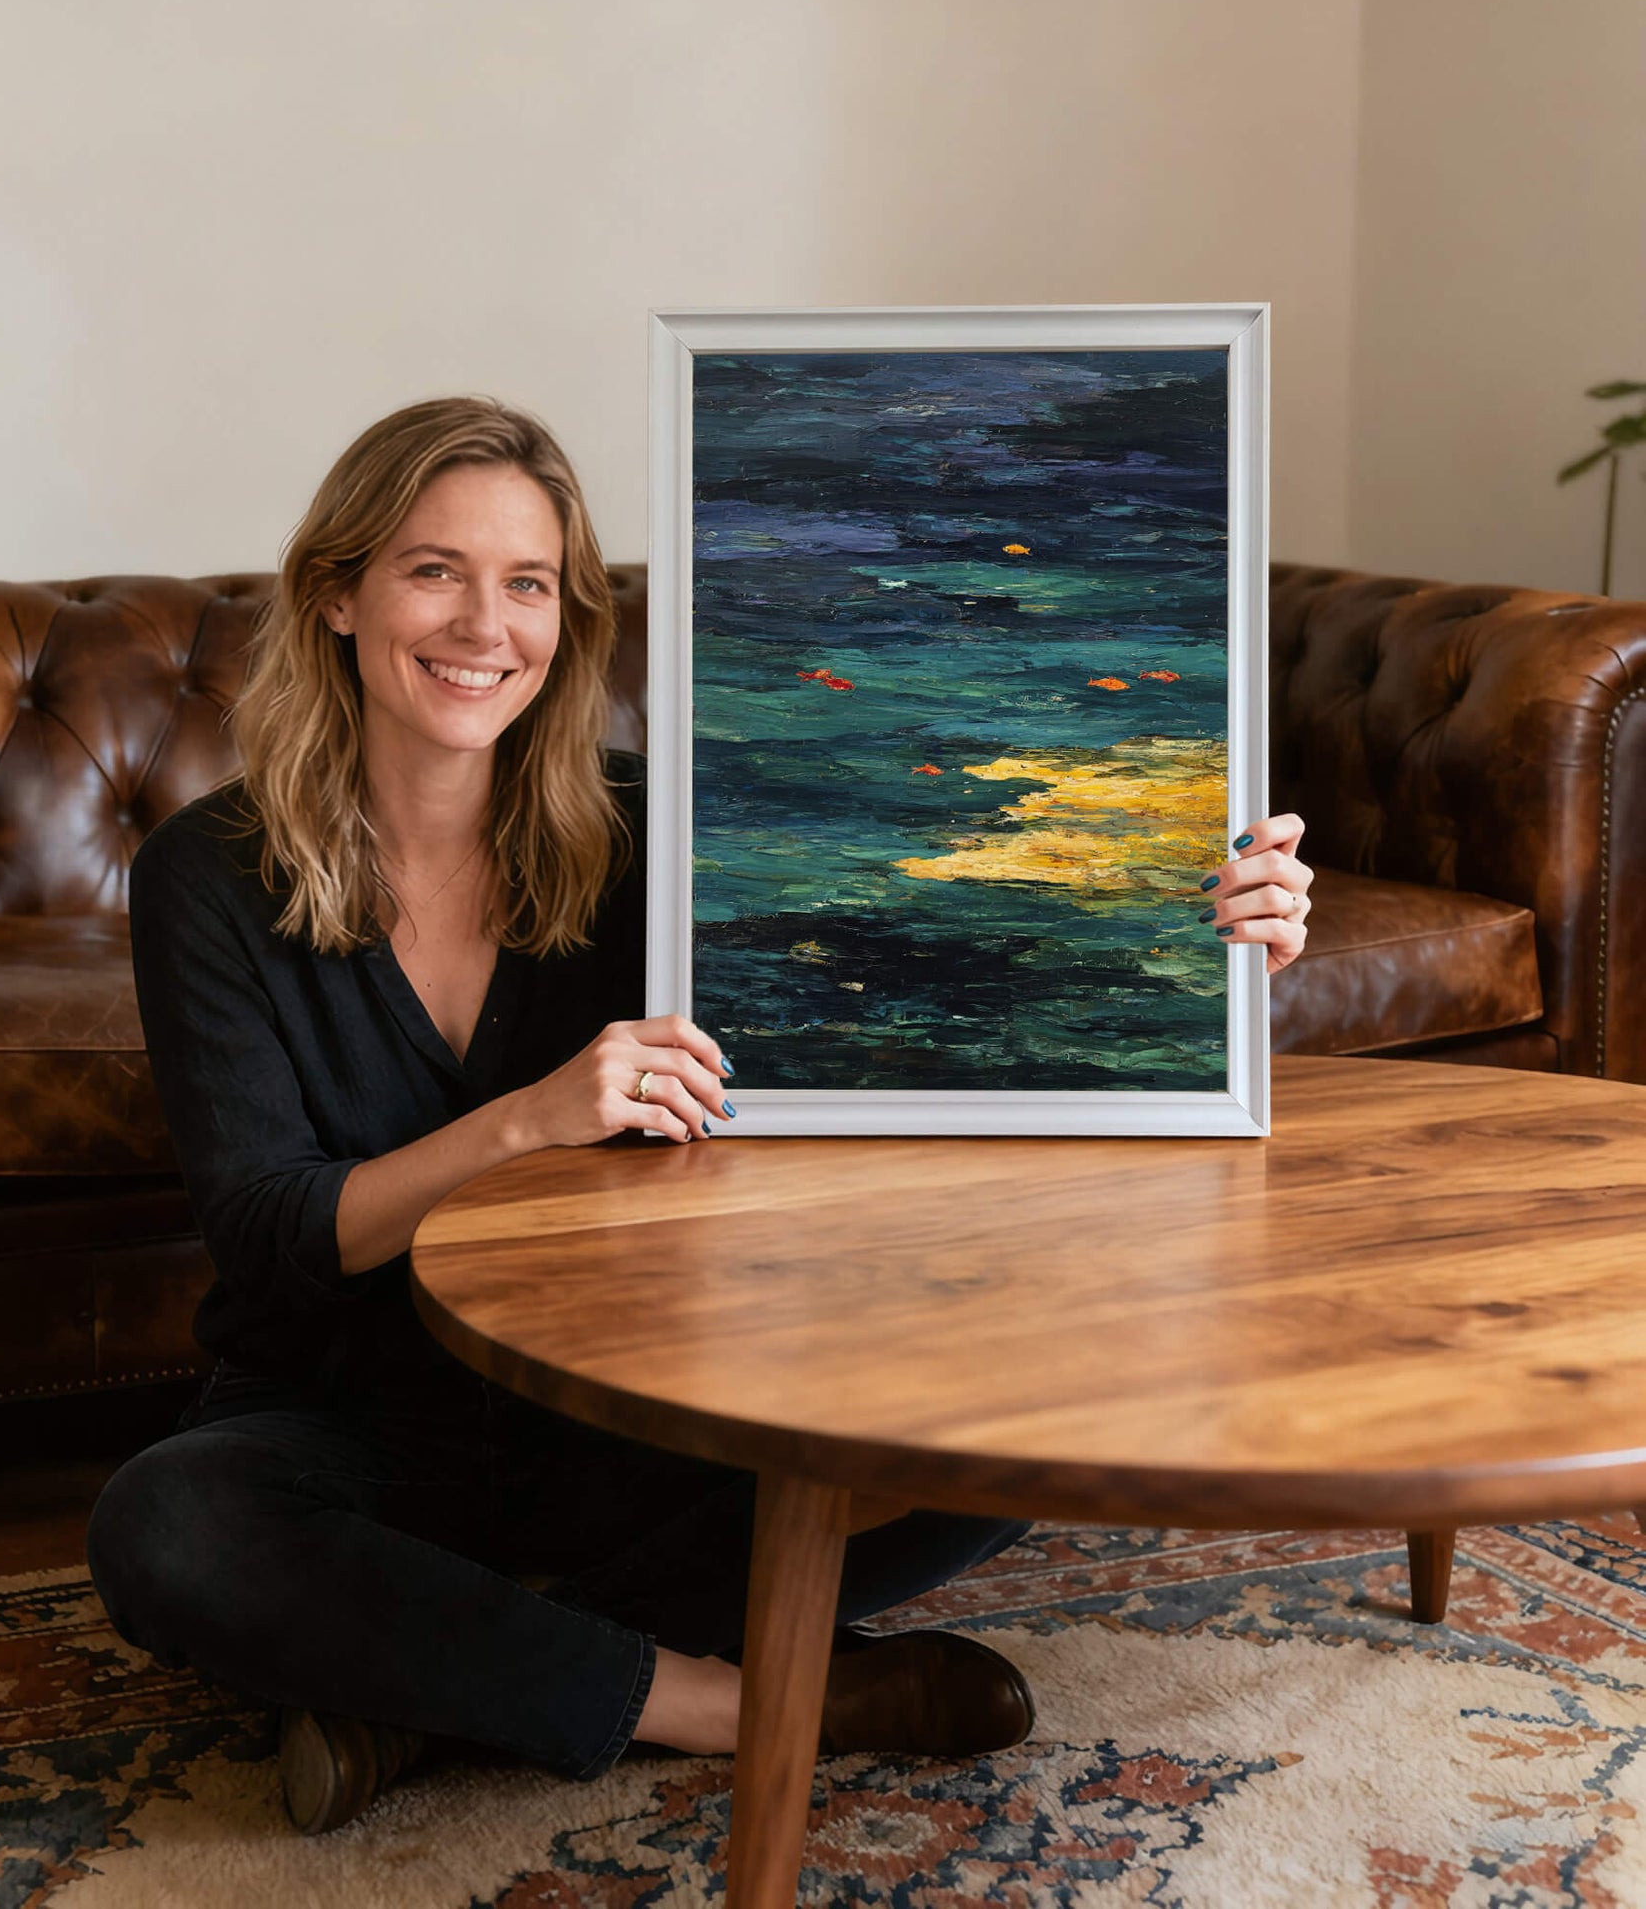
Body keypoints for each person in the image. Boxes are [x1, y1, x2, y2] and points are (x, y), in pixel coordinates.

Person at [85, 395, 1314, 1836]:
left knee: (1035, 1411)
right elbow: (270, 1229)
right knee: (165, 1529)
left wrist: (1197, 941)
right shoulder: (205, 873)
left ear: (566, 617)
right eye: (433, 569)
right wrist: (524, 1121)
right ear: (337, 595)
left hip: (620, 1402)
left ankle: (421, 1686)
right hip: (346, 1415)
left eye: (528, 583)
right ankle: (763, 1702)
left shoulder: (656, 832)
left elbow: (941, 989)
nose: (485, 622)